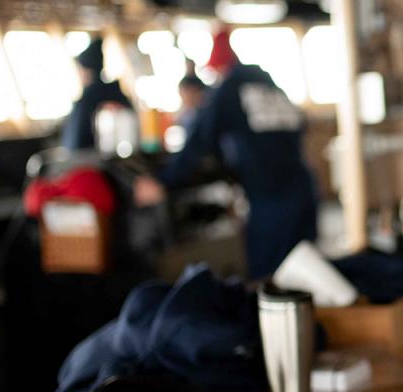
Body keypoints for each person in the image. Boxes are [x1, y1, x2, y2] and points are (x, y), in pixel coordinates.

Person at [134, 28, 318, 279]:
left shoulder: (229, 89)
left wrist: (163, 182)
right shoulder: (270, 85)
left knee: (269, 279)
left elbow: (199, 141)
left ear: (220, 67)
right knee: (308, 272)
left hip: (271, 198)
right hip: (304, 188)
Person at [61, 37, 134, 151]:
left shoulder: (90, 97)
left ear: (87, 70)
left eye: (81, 70)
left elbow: (76, 141)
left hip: (89, 158)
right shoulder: (113, 92)